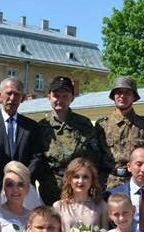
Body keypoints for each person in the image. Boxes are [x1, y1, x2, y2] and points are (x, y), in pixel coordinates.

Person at [37, 76, 98, 206]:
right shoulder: (41, 127)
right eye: (56, 95)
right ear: (49, 97)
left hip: (78, 188)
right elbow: (37, 159)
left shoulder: (84, 124)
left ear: (72, 98)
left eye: (65, 96)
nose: (60, 100)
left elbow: (94, 157)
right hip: (50, 189)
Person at [0, 77, 44, 189]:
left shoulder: (31, 126)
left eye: (17, 94)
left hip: (22, 188)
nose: (12, 98)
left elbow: (36, 156)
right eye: (9, 93)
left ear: (22, 98)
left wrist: (24, 179)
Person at [95, 76, 144, 190]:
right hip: (106, 183)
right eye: (118, 92)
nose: (122, 96)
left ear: (134, 96)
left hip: (136, 182)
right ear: (113, 96)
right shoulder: (102, 126)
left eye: (127, 93)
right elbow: (94, 159)